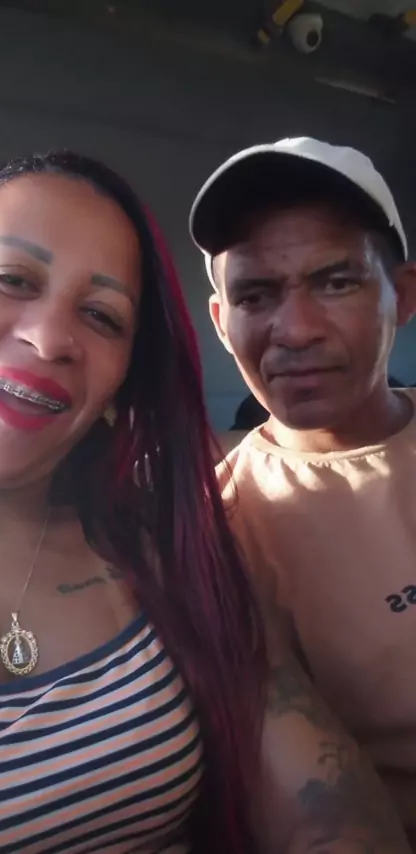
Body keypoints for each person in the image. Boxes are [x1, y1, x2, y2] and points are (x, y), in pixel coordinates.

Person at [0, 150, 406, 854]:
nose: (51, 338)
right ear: (220, 321)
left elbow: (322, 804)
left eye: (101, 315)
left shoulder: (156, 541)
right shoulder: (216, 514)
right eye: (11, 278)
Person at [189, 136, 416, 848]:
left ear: (404, 296)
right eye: (255, 296)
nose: (295, 331)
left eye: (336, 282)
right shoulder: (219, 531)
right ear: (222, 323)